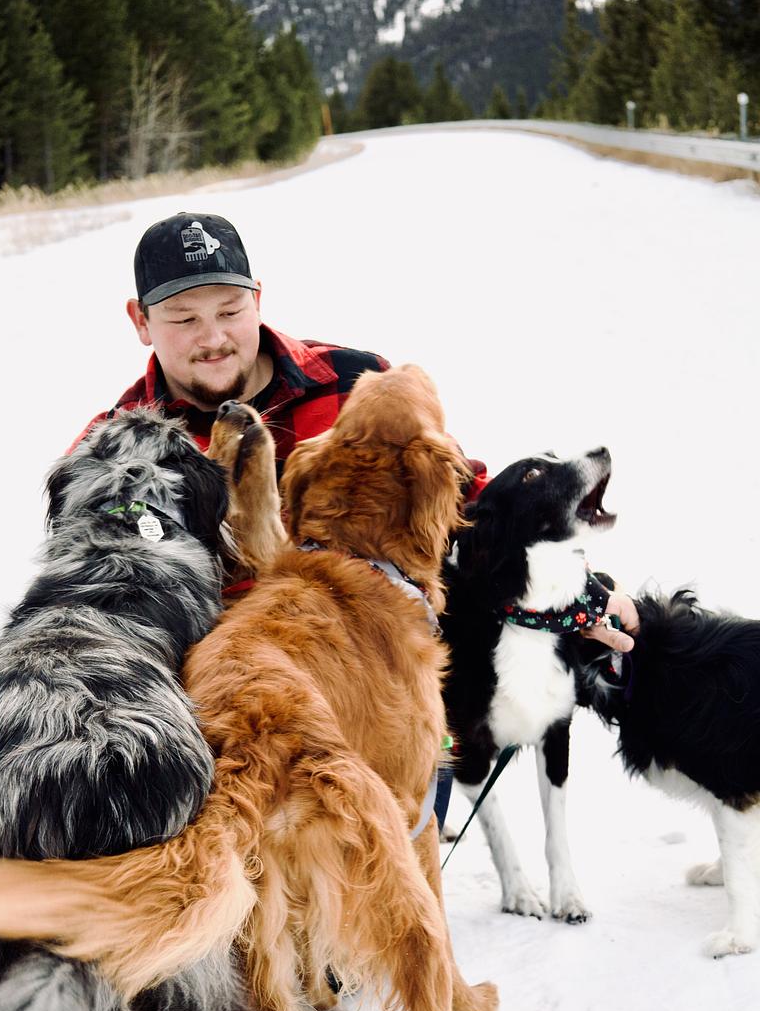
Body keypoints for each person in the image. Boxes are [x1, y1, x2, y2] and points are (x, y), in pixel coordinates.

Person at [76, 210, 639, 824]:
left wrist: (583, 599)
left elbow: (479, 510)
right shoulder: (113, 453)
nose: (213, 338)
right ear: (140, 320)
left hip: (389, 688)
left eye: (231, 311)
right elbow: (96, 604)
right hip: (236, 717)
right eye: (184, 319)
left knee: (399, 859)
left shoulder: (355, 384)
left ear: (258, 299)